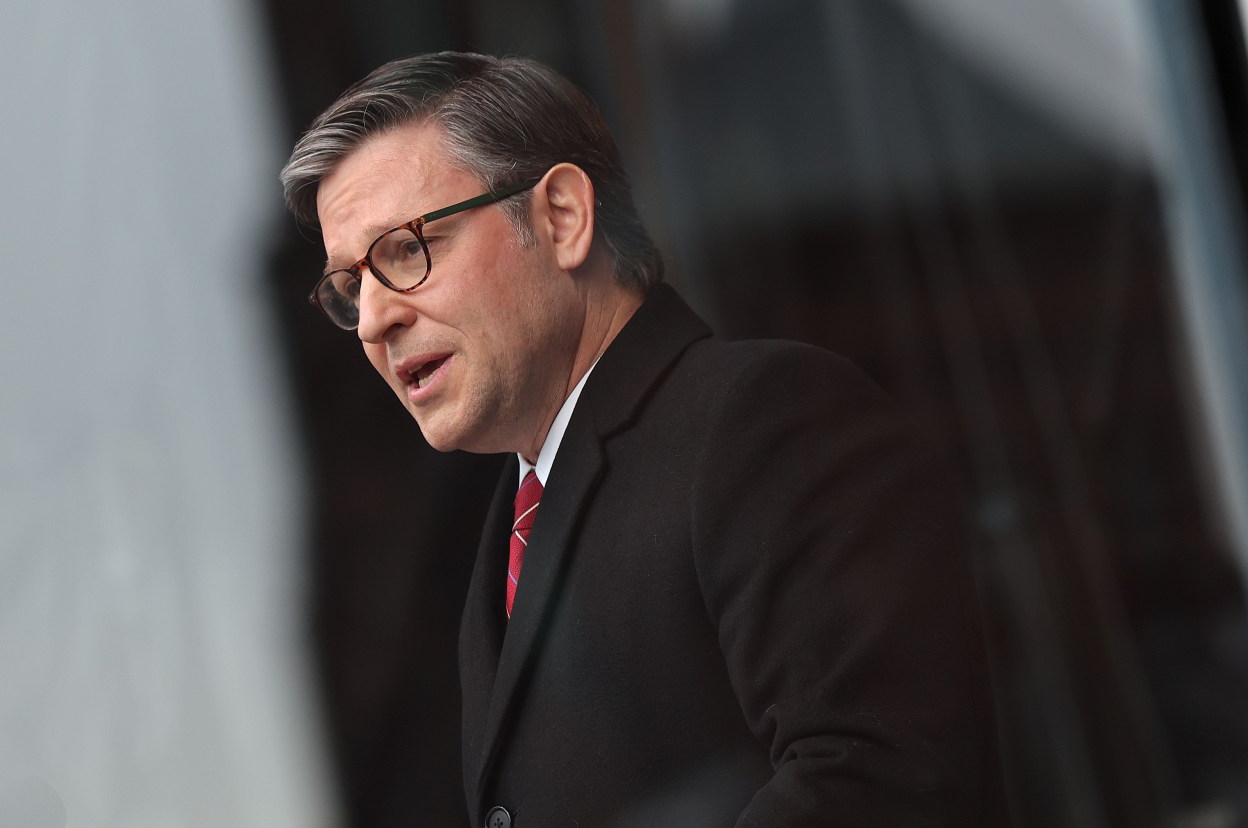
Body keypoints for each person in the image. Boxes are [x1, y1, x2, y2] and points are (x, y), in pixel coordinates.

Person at [281, 52, 1007, 827]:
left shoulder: (763, 422)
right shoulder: (506, 532)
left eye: (406, 249)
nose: (373, 320)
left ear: (562, 216)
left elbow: (879, 780)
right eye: (351, 287)